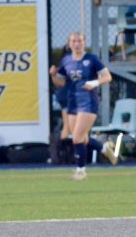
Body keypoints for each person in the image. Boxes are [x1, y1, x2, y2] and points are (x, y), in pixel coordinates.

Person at [49, 32, 114, 180]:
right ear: (69, 44)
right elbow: (61, 82)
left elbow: (107, 76)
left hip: (88, 102)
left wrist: (95, 83)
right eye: (74, 41)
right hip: (73, 102)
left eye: (80, 41)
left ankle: (81, 170)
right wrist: (53, 75)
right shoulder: (66, 61)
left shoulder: (92, 59)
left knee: (77, 138)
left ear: (84, 43)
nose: (77, 44)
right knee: (81, 137)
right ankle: (103, 147)